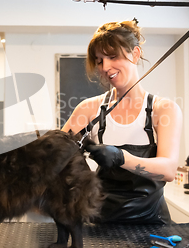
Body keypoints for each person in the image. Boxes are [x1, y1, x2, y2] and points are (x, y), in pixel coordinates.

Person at [61, 19, 182, 224]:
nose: (105, 67)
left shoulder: (164, 110)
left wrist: (120, 158)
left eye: (112, 56)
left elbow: (168, 170)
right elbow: (57, 156)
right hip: (101, 224)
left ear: (135, 54)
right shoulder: (88, 110)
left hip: (152, 224)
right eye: (99, 60)